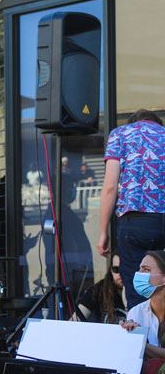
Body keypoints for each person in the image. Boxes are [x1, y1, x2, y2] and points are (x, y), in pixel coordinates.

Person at [98, 109, 165, 308]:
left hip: (135, 221)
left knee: (138, 288)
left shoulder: (120, 134)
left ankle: (142, 335)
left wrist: (103, 232)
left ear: (133, 122)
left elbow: (110, 187)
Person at [120, 250, 165, 372]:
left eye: (146, 269)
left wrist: (140, 342)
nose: (138, 274)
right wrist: (128, 334)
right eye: (139, 269)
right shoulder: (136, 312)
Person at [73, 253, 126, 324]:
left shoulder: (140, 291)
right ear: (111, 270)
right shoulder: (98, 290)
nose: (120, 274)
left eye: (125, 269)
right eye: (116, 269)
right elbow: (75, 320)